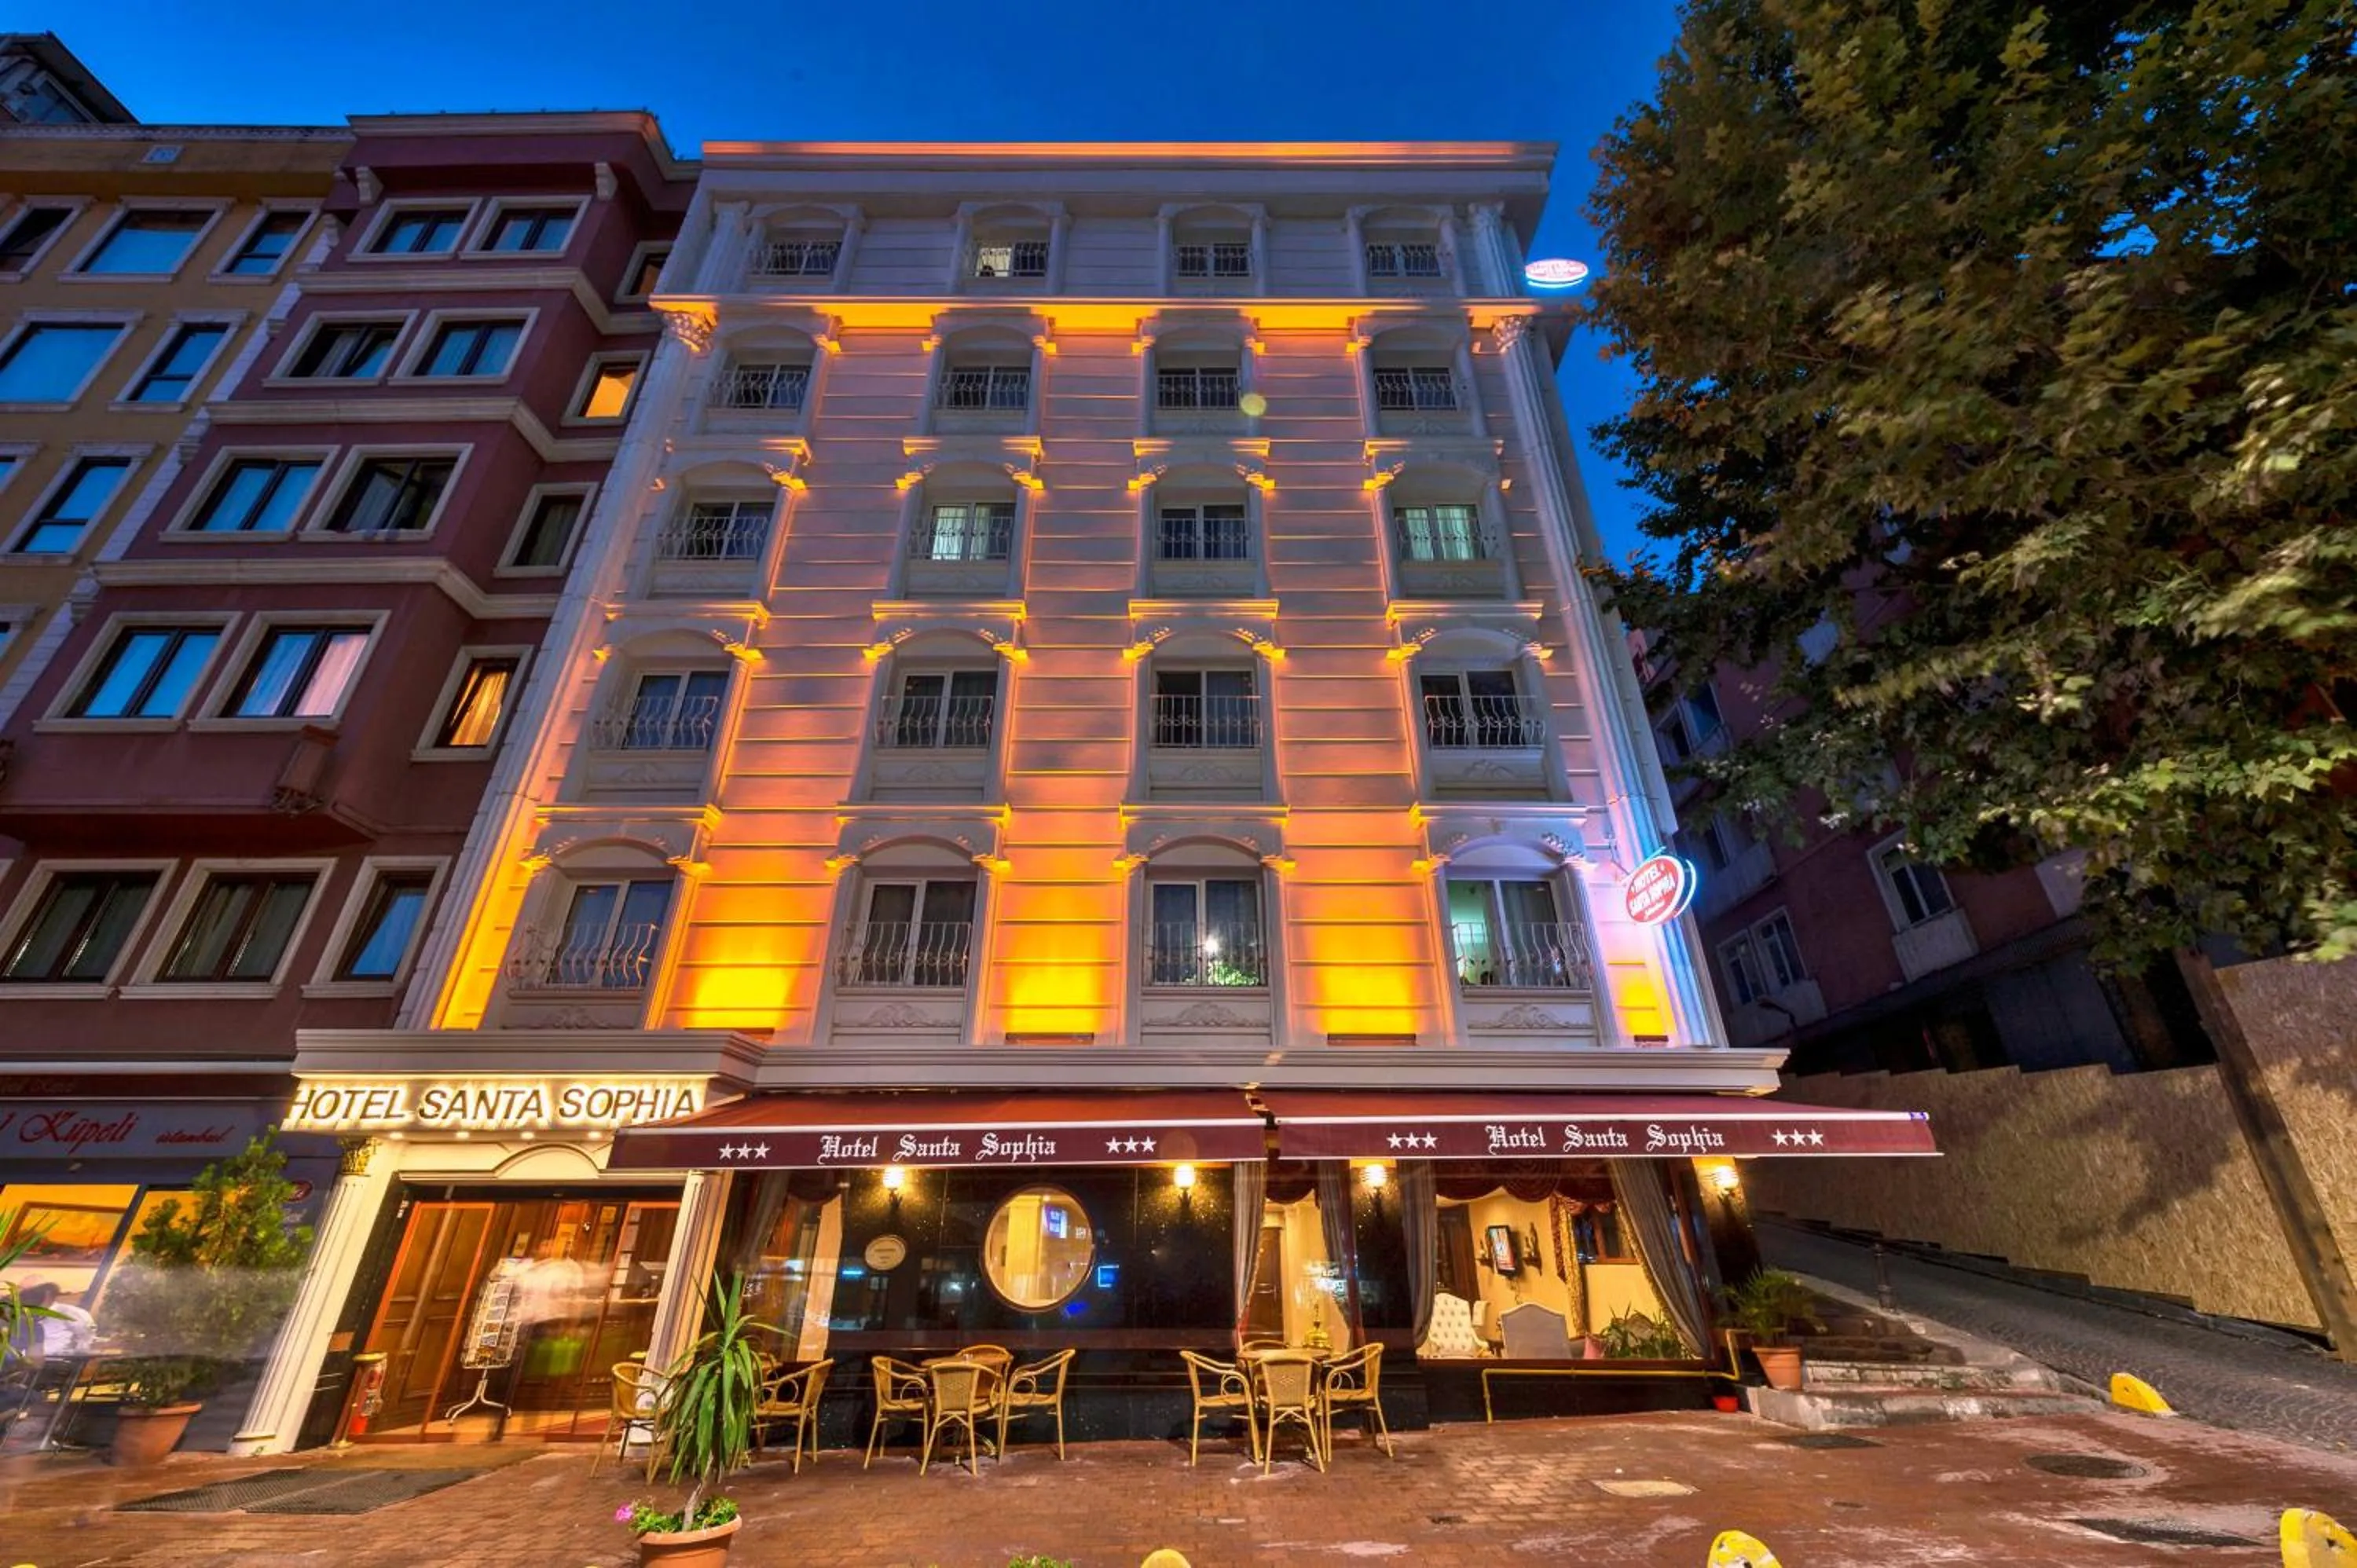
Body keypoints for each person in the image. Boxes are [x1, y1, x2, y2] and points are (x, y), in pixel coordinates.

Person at [24, 1284, 96, 1360]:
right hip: (26, 1365)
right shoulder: (24, 1317)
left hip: (60, 1365)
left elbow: (86, 1338)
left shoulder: (69, 1313)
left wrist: (75, 1359)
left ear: (47, 1297)